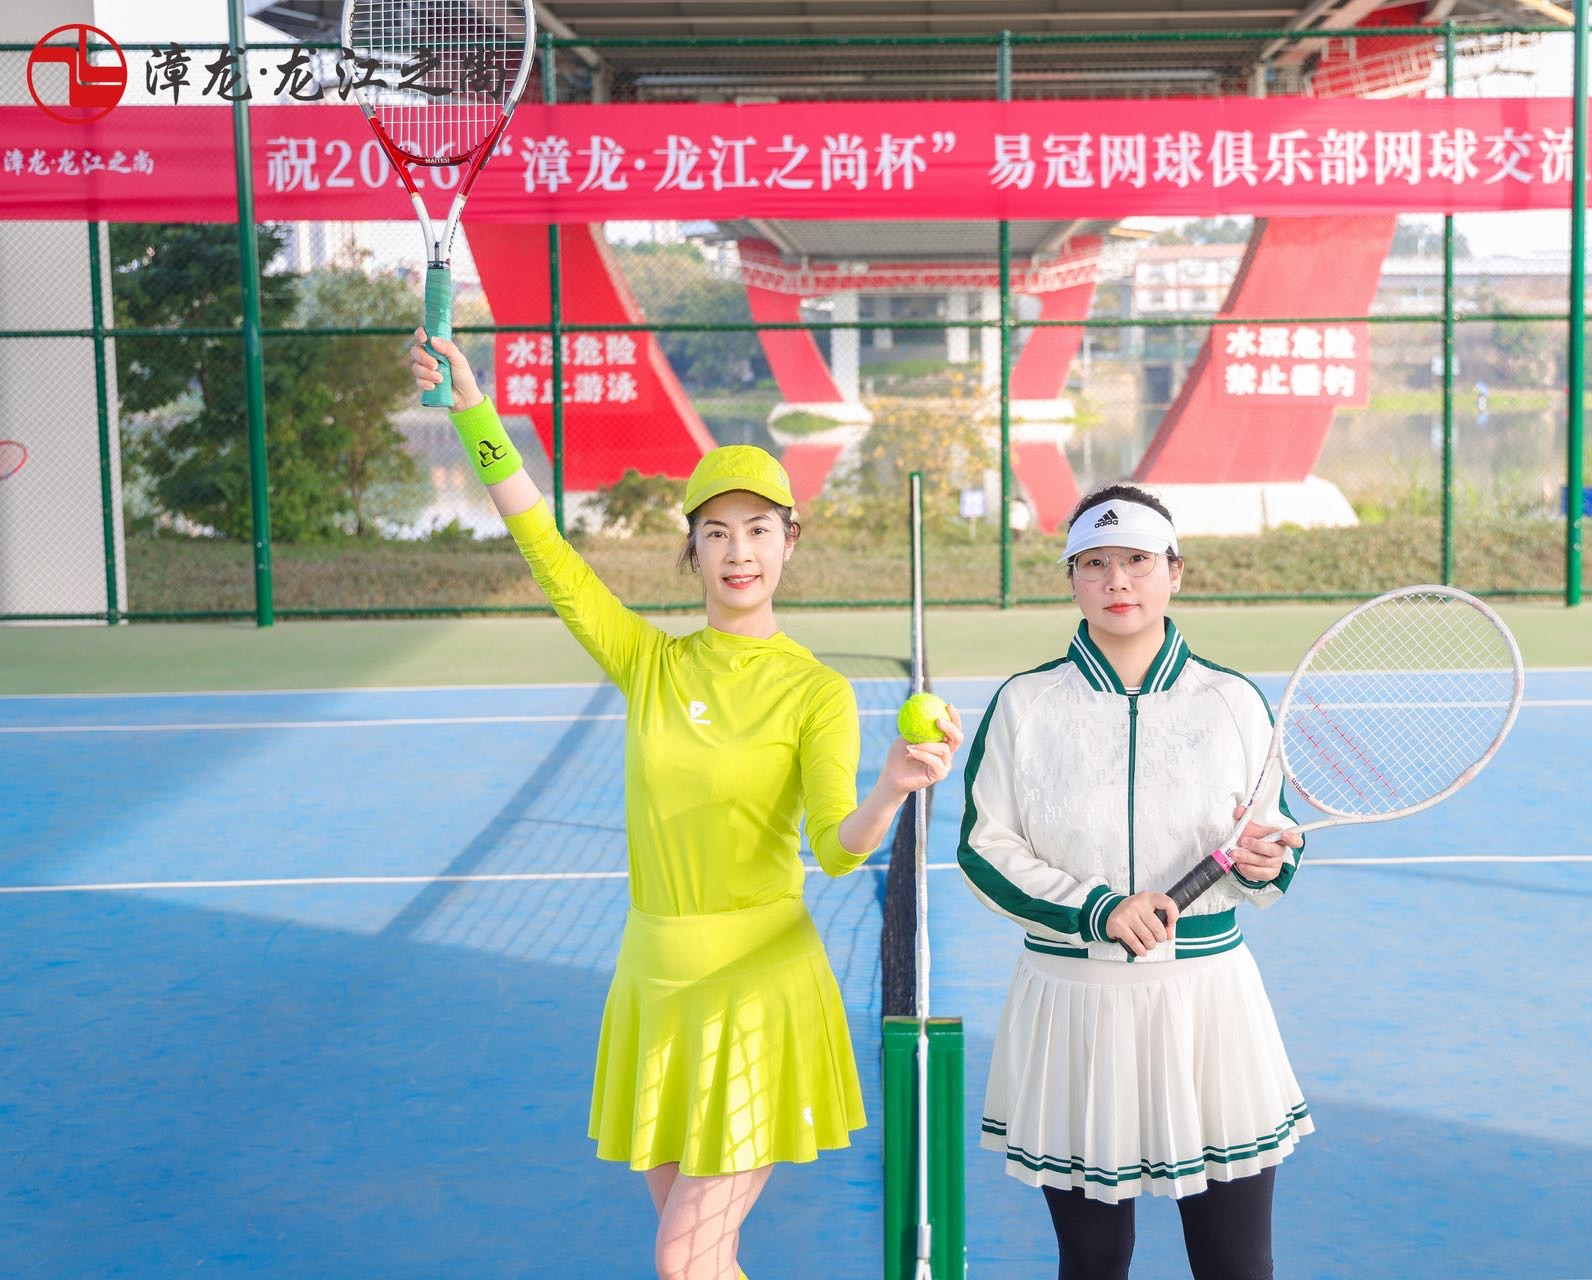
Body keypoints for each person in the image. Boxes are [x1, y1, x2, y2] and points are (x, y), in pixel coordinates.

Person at [409, 332, 962, 1280]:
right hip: (655, 983)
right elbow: (543, 546)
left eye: (759, 529)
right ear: (693, 550)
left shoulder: (817, 692)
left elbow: (837, 850)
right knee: (705, 1262)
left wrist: (890, 790)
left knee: (682, 1258)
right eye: (717, 532)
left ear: (789, 540)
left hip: (759, 988)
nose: (738, 551)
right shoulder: (648, 663)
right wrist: (473, 413)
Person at [956, 483, 1310, 1280]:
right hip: (1073, 1003)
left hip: (1206, 1004)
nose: (1117, 581)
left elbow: (1272, 839)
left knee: (1235, 1264)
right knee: (1091, 1262)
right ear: (1071, 579)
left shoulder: (1232, 701)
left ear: (1174, 572)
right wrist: (1098, 909)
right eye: (1094, 563)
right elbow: (984, 848)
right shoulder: (1023, 703)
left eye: (1137, 561)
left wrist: (1268, 863)